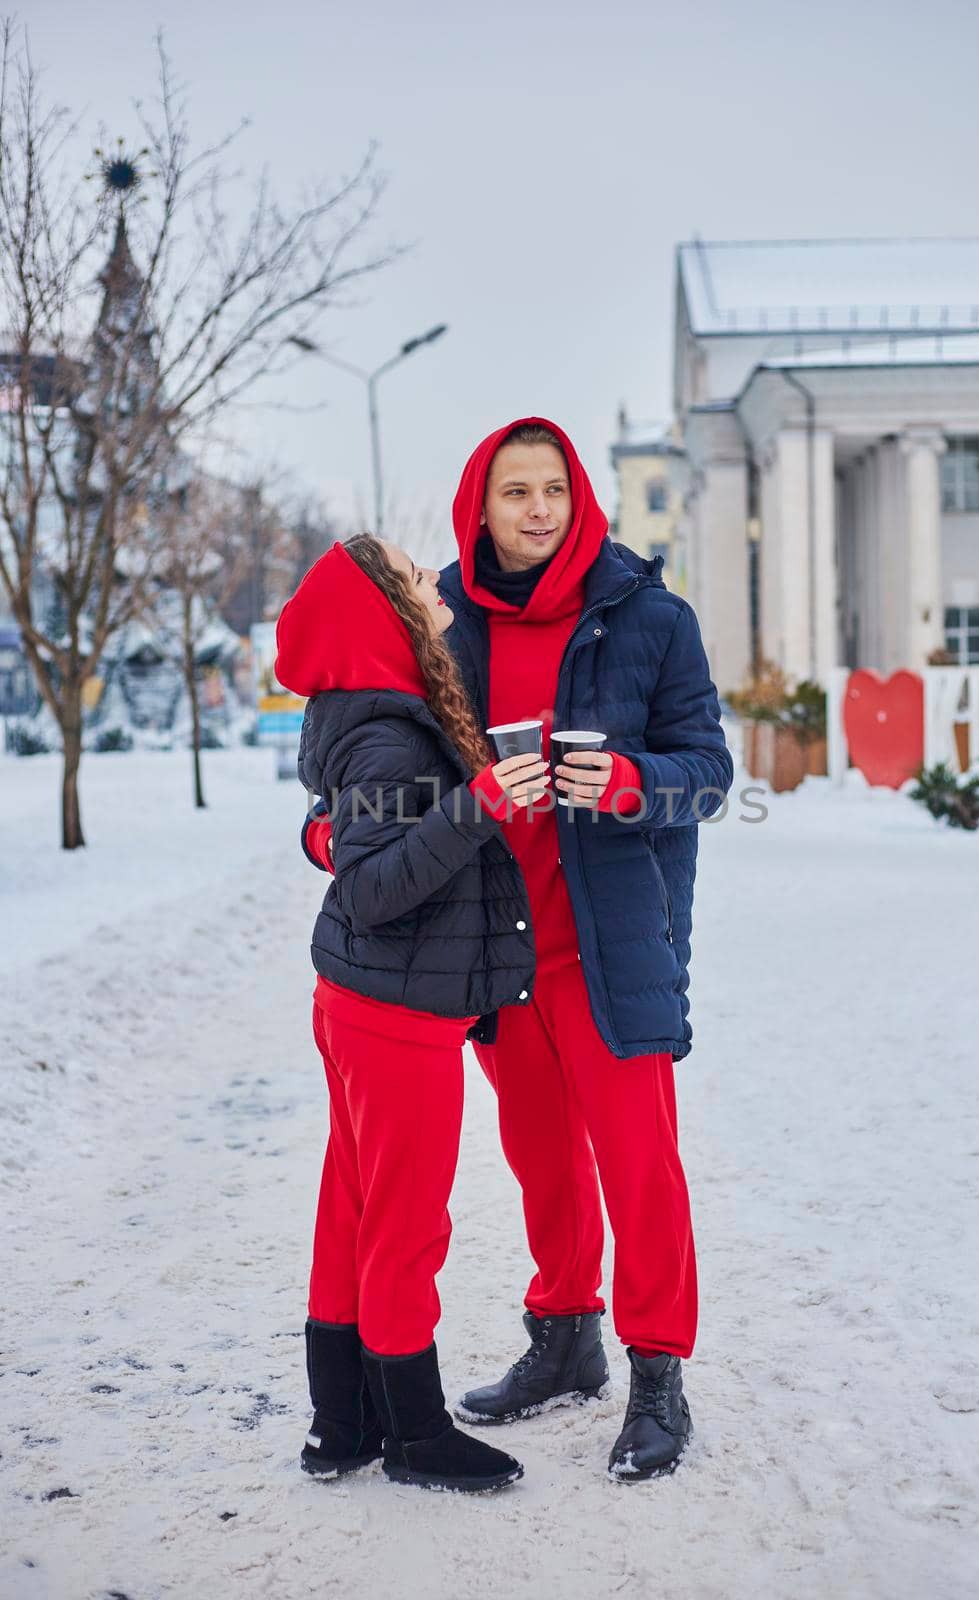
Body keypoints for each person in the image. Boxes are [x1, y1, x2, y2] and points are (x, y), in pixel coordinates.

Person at [305, 417, 733, 1482]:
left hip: (608, 944)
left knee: (639, 1167)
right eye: (513, 493)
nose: (535, 509)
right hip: (491, 956)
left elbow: (709, 769)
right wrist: (326, 841)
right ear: (479, 508)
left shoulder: (649, 617)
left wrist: (631, 783)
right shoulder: (441, 625)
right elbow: (360, 768)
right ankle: (563, 1333)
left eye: (552, 489)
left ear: (579, 498)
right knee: (540, 1160)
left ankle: (656, 1372)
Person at [274, 532, 554, 1494]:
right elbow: (373, 888)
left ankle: (340, 1424)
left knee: (350, 1210)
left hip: (367, 1002)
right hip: (392, 1013)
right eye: (408, 574)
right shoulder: (388, 731)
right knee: (402, 1225)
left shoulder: (377, 709)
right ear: (381, 613)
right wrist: (477, 803)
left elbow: (346, 843)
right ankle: (415, 1434)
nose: (430, 577)